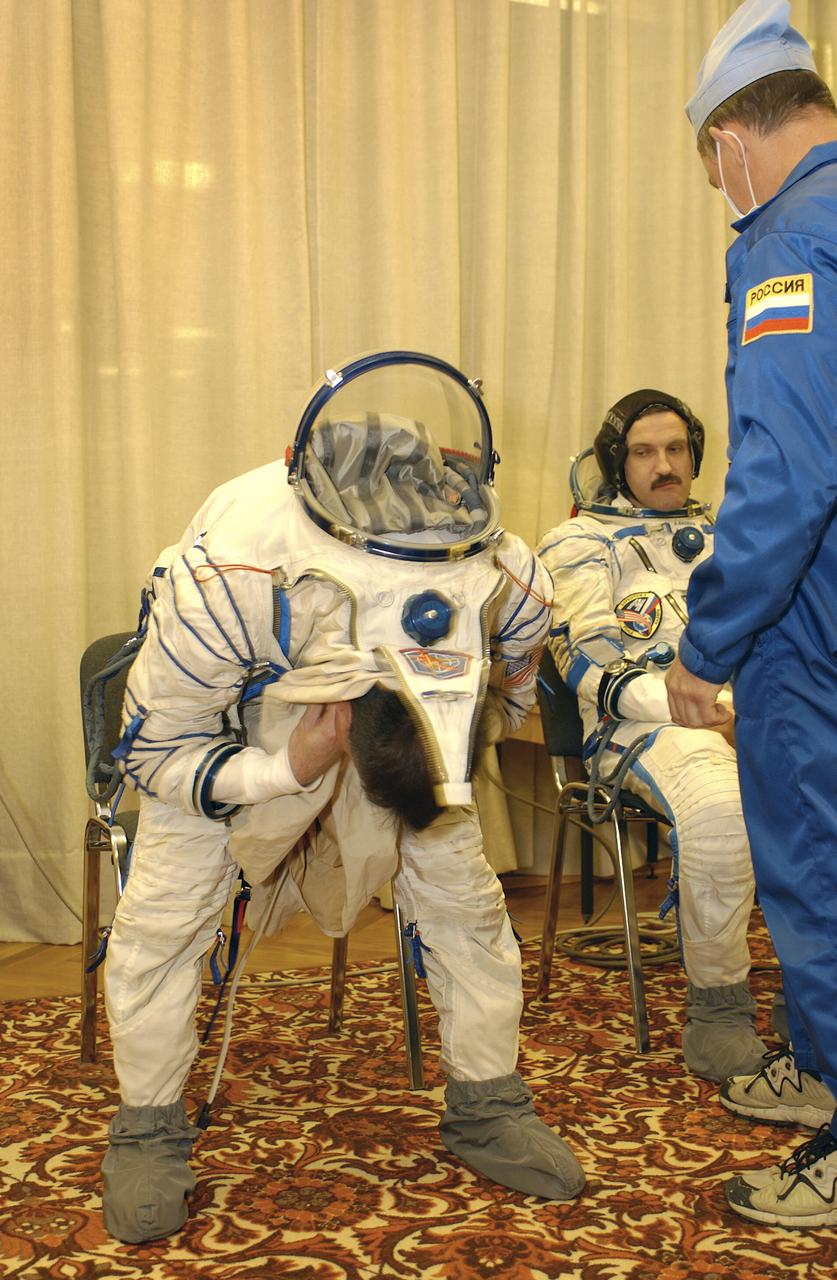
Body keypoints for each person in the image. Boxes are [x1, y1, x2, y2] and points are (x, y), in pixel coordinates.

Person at [100, 350, 585, 1245]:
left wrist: (445, 729)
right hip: (238, 721)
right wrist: (283, 772)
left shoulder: (502, 574)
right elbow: (154, 749)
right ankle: (148, 1126)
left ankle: (485, 1103)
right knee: (163, 922)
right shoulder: (232, 574)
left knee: (467, 904)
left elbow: (514, 685)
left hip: (405, 724)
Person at [666, 0, 837, 1229]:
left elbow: (784, 476)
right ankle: (817, 1064)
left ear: (733, 134)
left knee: (818, 874)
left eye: (708, 159)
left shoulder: (788, 240)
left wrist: (706, 640)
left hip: (812, 625)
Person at [537, 390, 771, 1086]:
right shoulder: (578, 542)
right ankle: (718, 1013)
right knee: (722, 808)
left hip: (744, 713)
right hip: (636, 727)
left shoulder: (737, 534)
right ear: (616, 461)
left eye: (676, 449)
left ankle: (810, 993)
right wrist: (695, 709)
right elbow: (587, 665)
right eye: (644, 452)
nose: (664, 466)